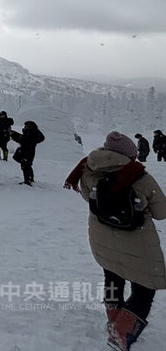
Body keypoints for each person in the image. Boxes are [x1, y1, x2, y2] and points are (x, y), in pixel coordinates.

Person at [64, 131, 166, 350]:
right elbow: (161, 212)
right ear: (129, 154)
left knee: (112, 278)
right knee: (145, 288)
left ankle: (114, 320)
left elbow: (87, 197)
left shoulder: (88, 170)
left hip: (102, 238)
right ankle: (121, 334)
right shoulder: (140, 177)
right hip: (137, 242)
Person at [10, 120, 45, 186]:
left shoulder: (32, 134)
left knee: (25, 166)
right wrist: (14, 134)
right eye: (26, 125)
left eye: (28, 126)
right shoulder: (33, 133)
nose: (26, 127)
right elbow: (22, 138)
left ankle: (27, 181)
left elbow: (22, 140)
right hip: (28, 151)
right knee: (27, 165)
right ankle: (30, 179)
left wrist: (13, 134)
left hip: (27, 152)